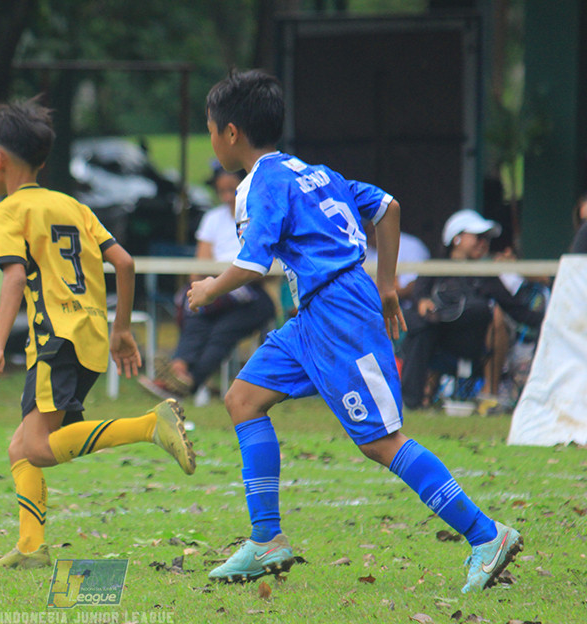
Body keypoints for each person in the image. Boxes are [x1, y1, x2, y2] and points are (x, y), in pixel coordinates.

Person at [187, 70, 521, 593]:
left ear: (231, 133)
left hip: (339, 313)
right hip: (317, 314)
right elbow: (387, 206)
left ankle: (486, 535)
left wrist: (209, 288)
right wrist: (386, 283)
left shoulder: (260, 184)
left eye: (210, 130)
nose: (213, 141)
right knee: (243, 399)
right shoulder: (312, 172)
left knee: (381, 442)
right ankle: (267, 539)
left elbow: (251, 265)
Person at [0, 97, 196, 570]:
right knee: (22, 446)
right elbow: (124, 261)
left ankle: (149, 426)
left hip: (54, 340)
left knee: (36, 446)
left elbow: (14, 276)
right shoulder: (72, 205)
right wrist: (120, 329)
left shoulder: (9, 210)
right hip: (90, 336)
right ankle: (31, 549)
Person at [140, 163, 275, 399]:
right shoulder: (213, 219)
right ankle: (185, 377)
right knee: (199, 306)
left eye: (230, 190)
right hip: (220, 288)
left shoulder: (262, 215)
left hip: (252, 292)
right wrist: (210, 287)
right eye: (220, 191)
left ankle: (180, 370)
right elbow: (200, 267)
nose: (225, 197)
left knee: (213, 323)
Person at [399, 210, 544, 411]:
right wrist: (425, 304)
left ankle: (489, 395)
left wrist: (553, 320)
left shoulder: (486, 274)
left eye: (486, 238)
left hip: (473, 347)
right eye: (478, 237)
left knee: (497, 316)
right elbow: (420, 297)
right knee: (421, 326)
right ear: (456, 238)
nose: (483, 243)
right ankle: (413, 402)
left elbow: (518, 311)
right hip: (436, 340)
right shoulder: (434, 267)